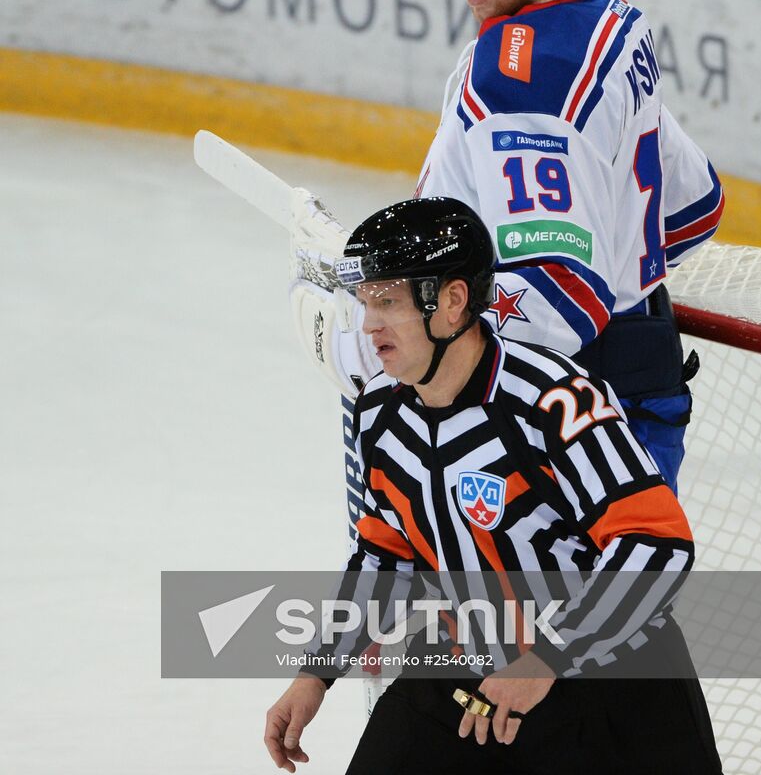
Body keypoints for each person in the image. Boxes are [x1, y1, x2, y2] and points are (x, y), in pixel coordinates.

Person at [290, 0, 724, 494]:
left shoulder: (519, 77)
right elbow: (694, 206)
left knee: (522, 607)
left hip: (562, 424)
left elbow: (555, 301)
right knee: (621, 602)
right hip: (641, 390)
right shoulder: (609, 26)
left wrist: (379, 347)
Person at [268, 197, 723, 775]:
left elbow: (657, 544)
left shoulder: (551, 399)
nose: (369, 323)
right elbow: (386, 557)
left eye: (388, 301)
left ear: (453, 302)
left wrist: (546, 658)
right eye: (365, 301)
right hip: (469, 667)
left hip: (614, 691)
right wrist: (317, 672)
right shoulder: (379, 412)